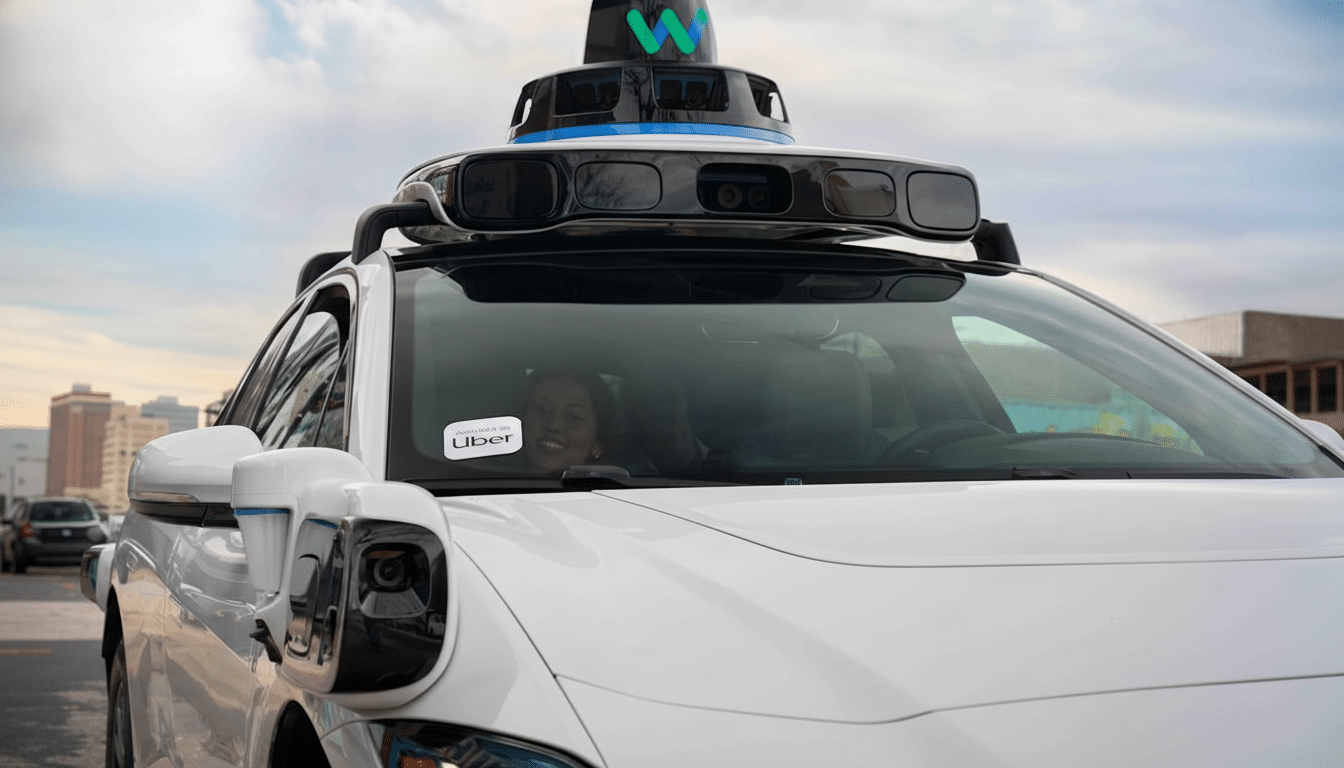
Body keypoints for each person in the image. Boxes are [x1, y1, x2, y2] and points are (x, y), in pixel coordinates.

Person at [521, 371, 619, 474]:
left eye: (573, 417)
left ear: (598, 442)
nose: (553, 425)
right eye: (542, 409)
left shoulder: (621, 489)